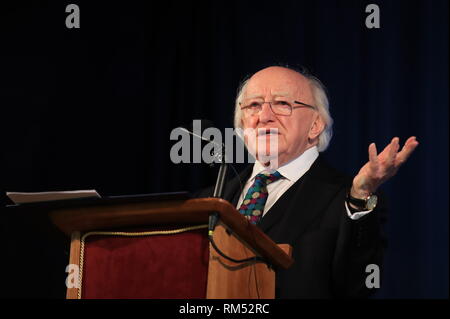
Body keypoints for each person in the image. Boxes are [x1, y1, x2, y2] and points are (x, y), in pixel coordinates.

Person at [198, 66, 419, 298]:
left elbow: (358, 286)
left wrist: (360, 195)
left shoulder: (350, 199)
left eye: (282, 104)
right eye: (254, 105)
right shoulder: (207, 201)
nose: (263, 116)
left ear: (315, 125)